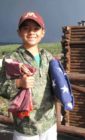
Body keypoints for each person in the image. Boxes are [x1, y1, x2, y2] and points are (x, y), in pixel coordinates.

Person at [0, 11, 57, 140]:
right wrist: (19, 83)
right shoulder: (12, 59)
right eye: (26, 28)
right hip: (26, 126)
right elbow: (1, 86)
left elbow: (56, 82)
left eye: (36, 28)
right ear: (19, 32)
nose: (31, 32)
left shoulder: (47, 56)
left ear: (43, 32)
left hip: (49, 122)